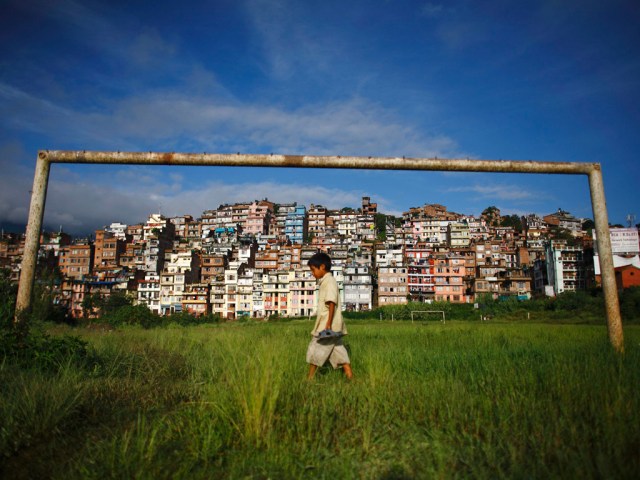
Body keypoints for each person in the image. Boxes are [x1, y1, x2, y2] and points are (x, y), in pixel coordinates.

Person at [306, 252, 353, 380]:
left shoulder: (329, 281)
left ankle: (309, 380)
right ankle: (351, 378)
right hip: (332, 325)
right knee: (339, 352)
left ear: (322, 267)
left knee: (316, 349)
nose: (312, 273)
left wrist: (328, 324)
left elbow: (331, 302)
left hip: (327, 325)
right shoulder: (325, 281)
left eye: (313, 270)